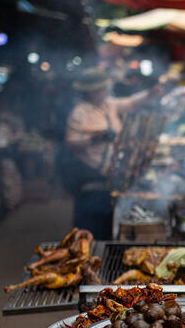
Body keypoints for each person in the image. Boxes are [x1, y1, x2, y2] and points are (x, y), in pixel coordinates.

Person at [64, 67, 161, 239]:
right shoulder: (80, 112)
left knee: (107, 224)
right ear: (91, 91)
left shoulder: (109, 104)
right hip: (90, 175)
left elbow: (130, 102)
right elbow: (72, 142)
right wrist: (96, 137)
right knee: (89, 227)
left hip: (110, 175)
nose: (105, 91)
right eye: (101, 88)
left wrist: (149, 93)